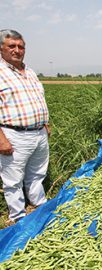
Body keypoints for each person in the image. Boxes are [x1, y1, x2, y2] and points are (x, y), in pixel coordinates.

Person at [0, 29, 50, 226]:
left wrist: (45, 123)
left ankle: (39, 204)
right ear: (1, 48)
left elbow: (39, 98)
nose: (17, 50)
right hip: (13, 134)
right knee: (13, 180)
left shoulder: (29, 72)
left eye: (21, 46)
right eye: (11, 46)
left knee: (37, 173)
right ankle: (19, 217)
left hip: (38, 132)